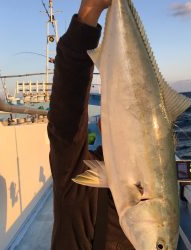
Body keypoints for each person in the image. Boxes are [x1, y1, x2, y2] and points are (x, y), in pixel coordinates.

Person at [47, 0, 134, 249]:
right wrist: (89, 13)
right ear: (104, 124)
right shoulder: (78, 178)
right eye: (121, 118)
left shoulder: (153, 184)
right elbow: (66, 120)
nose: (130, 133)